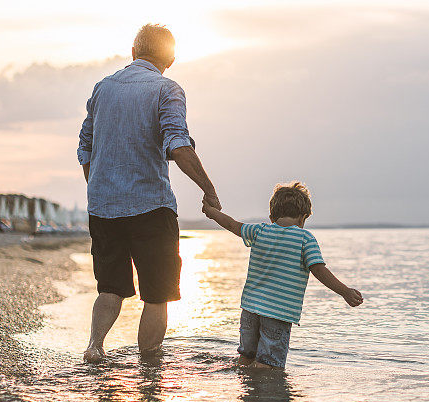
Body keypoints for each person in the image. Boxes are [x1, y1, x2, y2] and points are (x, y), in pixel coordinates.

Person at [77, 24, 221, 363]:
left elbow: (85, 146)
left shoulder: (103, 88)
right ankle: (149, 370)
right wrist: (209, 189)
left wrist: (99, 186)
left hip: (103, 208)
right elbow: (178, 143)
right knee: (157, 295)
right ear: (170, 58)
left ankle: (95, 348)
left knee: (110, 288)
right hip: (151, 208)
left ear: (133, 52)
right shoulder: (166, 89)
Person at [202, 182, 363, 369]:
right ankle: (265, 394)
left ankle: (247, 395)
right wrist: (345, 291)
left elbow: (231, 224)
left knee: (246, 358)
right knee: (269, 366)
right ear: (303, 218)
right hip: (278, 314)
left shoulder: (259, 231)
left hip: (249, 310)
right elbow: (318, 270)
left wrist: (212, 211)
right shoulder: (305, 238)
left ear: (271, 216)